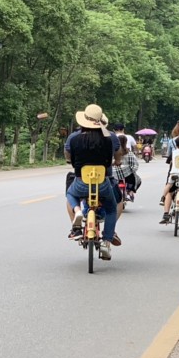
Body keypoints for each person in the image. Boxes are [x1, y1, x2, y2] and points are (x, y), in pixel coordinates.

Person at [64, 104, 122, 258]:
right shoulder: (108, 140)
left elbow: (70, 158)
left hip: (82, 182)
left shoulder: (75, 140)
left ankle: (77, 212)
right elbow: (110, 162)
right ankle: (106, 241)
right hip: (103, 183)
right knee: (111, 208)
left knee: (70, 194)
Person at [111, 133, 140, 214]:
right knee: (138, 180)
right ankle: (130, 191)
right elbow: (135, 165)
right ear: (126, 142)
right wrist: (132, 171)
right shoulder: (129, 153)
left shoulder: (113, 152)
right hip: (128, 175)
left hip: (115, 175)